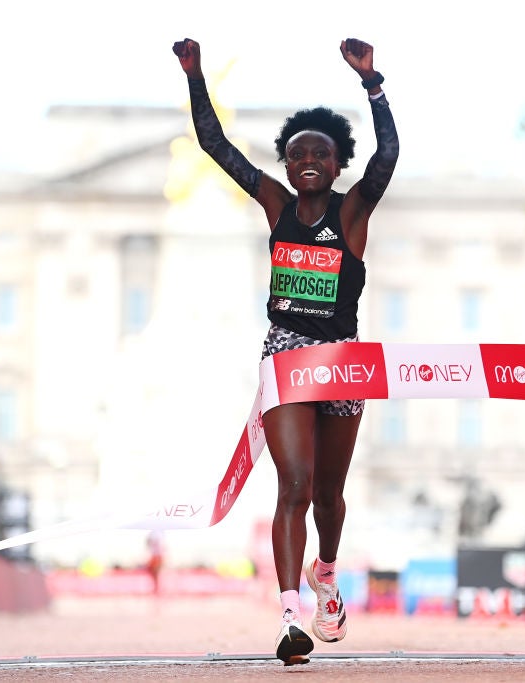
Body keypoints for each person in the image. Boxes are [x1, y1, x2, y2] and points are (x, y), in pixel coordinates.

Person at [172, 37, 398, 665]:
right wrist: (195, 76)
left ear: (335, 163)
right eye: (297, 153)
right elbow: (215, 147)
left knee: (330, 493)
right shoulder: (275, 204)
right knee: (293, 484)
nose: (307, 161)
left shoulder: (354, 212)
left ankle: (327, 571)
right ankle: (290, 617)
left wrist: (372, 84)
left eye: (319, 154)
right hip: (287, 356)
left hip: (343, 361)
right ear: (287, 162)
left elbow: (388, 156)